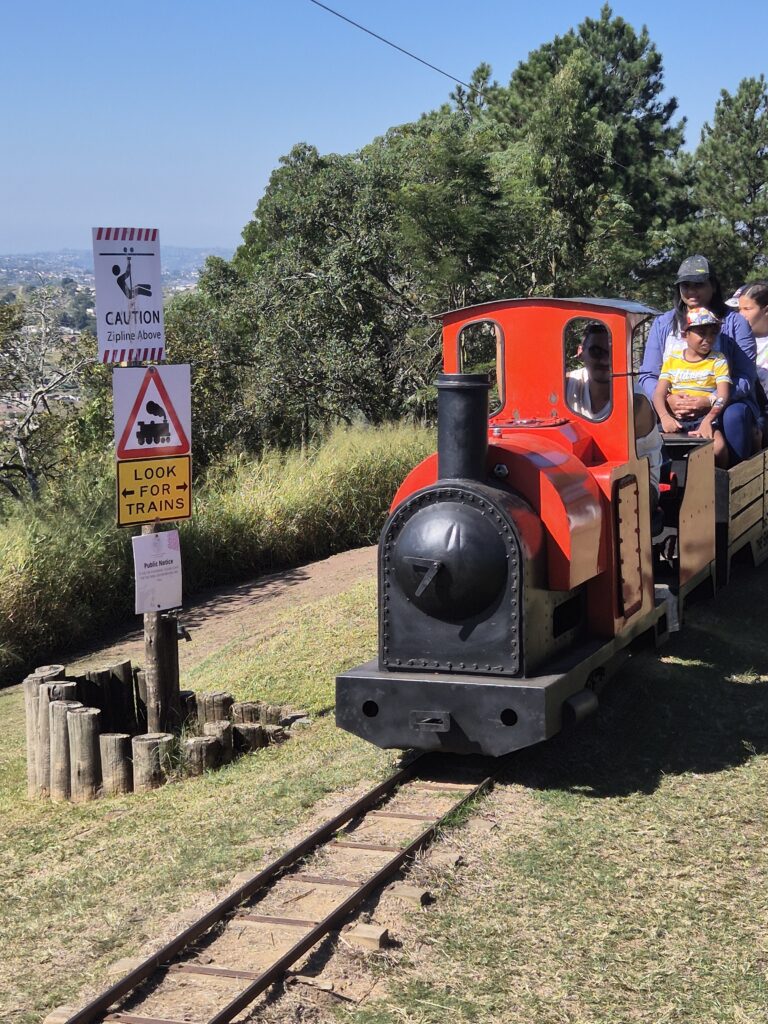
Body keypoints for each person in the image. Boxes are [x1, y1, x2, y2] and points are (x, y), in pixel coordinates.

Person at [638, 254, 757, 464]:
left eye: (699, 285)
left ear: (713, 286)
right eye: (686, 285)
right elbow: (648, 374)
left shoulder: (735, 323)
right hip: (672, 403)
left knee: (735, 415)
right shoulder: (663, 324)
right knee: (636, 412)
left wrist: (708, 400)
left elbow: (746, 378)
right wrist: (668, 401)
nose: (692, 291)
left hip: (723, 402)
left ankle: (734, 479)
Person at [567, 322, 662, 500]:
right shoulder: (567, 386)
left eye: (612, 352)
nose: (604, 360)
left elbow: (618, 458)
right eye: (596, 352)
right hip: (583, 477)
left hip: (636, 480)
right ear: (581, 352)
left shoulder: (635, 402)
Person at [653, 307, 731, 467]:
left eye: (713, 333)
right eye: (702, 333)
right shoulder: (672, 360)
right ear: (684, 335)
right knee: (652, 448)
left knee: (718, 448)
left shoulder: (718, 360)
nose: (708, 339)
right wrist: (665, 417)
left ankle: (723, 486)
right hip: (675, 419)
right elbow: (658, 394)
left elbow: (723, 395)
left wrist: (708, 420)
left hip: (703, 418)